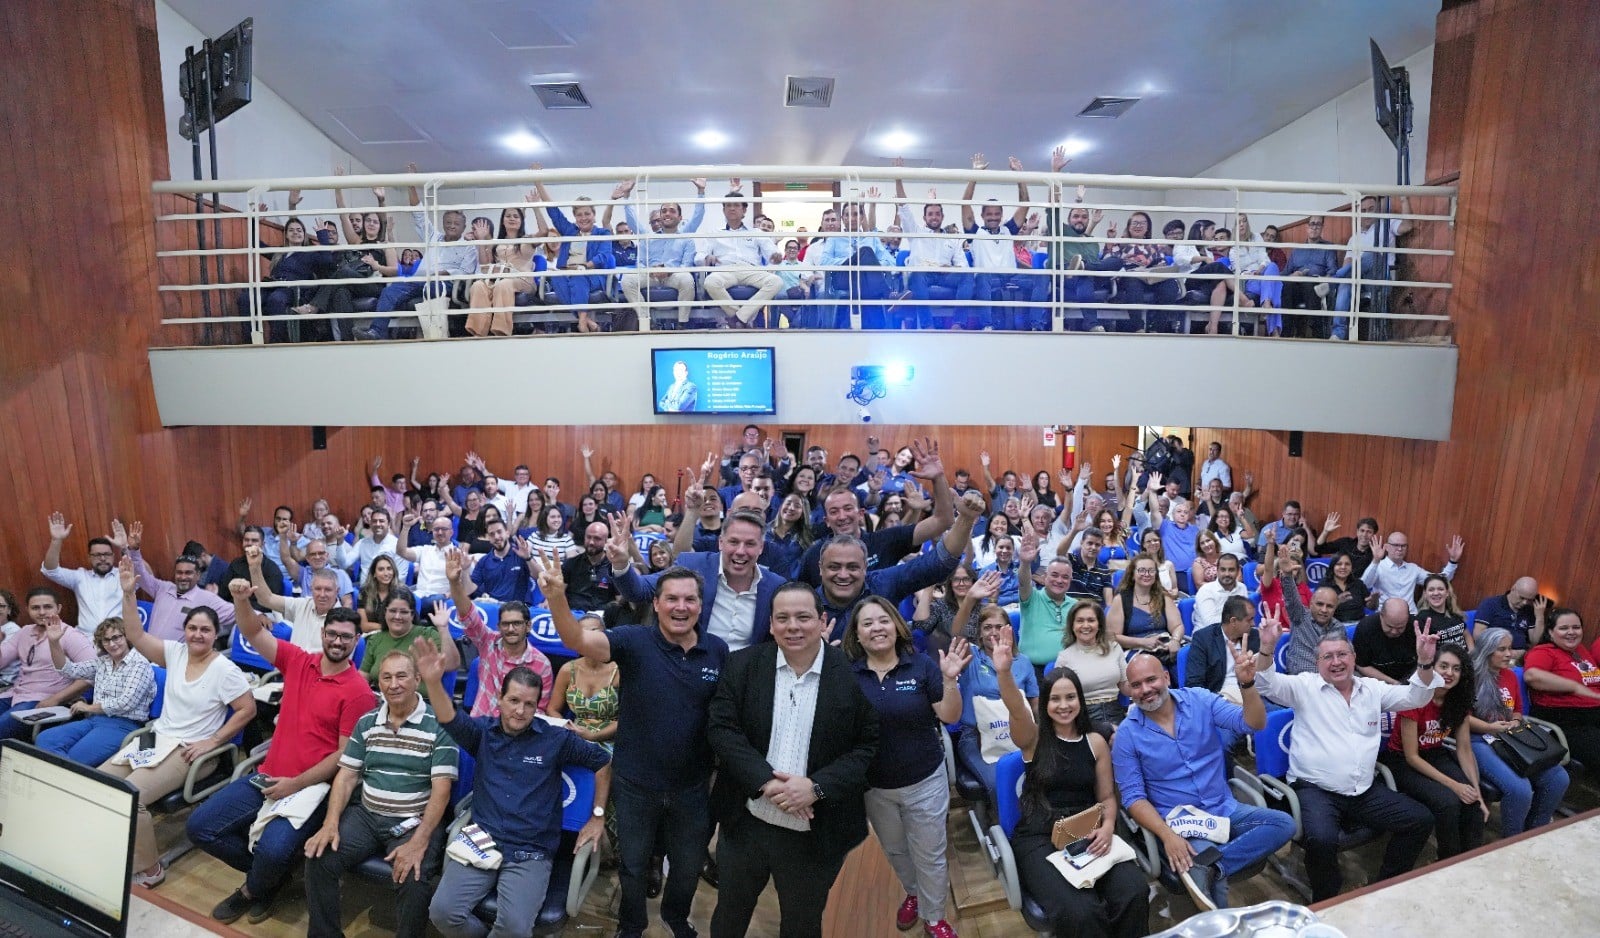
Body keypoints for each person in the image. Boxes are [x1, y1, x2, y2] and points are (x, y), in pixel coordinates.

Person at [540, 554, 726, 938]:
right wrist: (558, 597)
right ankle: (631, 924)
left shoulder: (718, 651)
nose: (681, 607)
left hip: (691, 787)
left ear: (700, 605)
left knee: (689, 865)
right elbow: (575, 639)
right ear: (655, 604)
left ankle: (676, 919)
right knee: (634, 865)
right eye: (671, 598)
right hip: (635, 784)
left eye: (689, 599)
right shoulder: (632, 641)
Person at [188, 581, 375, 925]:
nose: (337, 641)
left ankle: (251, 890)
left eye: (346, 637)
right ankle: (271, 878)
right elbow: (252, 631)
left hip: (310, 789)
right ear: (322, 633)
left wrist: (294, 784)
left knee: (273, 850)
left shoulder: (359, 692)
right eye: (332, 633)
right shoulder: (298, 661)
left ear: (356, 642)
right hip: (267, 773)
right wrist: (243, 601)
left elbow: (343, 757)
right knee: (200, 827)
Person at [706, 582, 880, 938]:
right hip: (746, 823)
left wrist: (816, 788)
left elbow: (867, 748)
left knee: (802, 925)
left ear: (822, 621)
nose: (793, 626)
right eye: (782, 618)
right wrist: (767, 782)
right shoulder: (742, 665)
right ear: (770, 624)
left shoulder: (853, 676)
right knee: (729, 916)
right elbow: (722, 730)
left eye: (803, 617)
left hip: (815, 831)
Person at [414, 638, 610, 938]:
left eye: (529, 704)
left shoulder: (555, 739)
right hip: (482, 838)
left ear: (538, 705)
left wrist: (597, 816)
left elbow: (602, 762)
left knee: (515, 929)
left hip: (531, 850)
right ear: (500, 699)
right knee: (442, 913)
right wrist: (433, 682)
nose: (520, 711)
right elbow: (448, 718)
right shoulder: (483, 733)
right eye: (514, 701)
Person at [1251, 612, 1441, 901]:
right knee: (1322, 839)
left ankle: (1385, 882)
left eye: (1342, 654)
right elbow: (1264, 683)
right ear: (1318, 664)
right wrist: (1267, 649)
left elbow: (1416, 697)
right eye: (1328, 657)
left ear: (1354, 658)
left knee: (1420, 819)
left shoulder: (1372, 689)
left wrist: (1425, 662)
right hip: (1316, 789)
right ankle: (1327, 899)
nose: (1336, 661)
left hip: (1363, 788)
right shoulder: (1304, 686)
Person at [100, 562, 256, 888]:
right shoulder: (174, 652)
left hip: (192, 752)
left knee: (132, 795)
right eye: (192, 628)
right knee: (98, 782)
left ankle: (150, 868)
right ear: (184, 631)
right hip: (158, 740)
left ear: (216, 634)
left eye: (205, 630)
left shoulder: (225, 669)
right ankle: (115, 846)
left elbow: (247, 709)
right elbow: (135, 634)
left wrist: (212, 741)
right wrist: (129, 593)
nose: (197, 634)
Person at [1114, 647, 1292, 908]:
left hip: (1224, 809)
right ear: (1129, 690)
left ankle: (1210, 867)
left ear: (1166, 677)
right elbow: (1133, 798)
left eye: (1151, 680)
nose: (1145, 689)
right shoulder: (1127, 736)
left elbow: (1253, 723)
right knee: (1210, 874)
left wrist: (1247, 684)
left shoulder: (1199, 700)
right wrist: (1167, 836)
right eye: (1136, 685)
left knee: (1283, 824)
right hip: (1181, 822)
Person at [304, 649, 458, 938]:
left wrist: (421, 840)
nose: (393, 684)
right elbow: (347, 776)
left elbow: (442, 789)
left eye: (401, 676)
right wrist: (331, 822)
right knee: (318, 857)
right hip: (366, 815)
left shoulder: (440, 725)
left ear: (416, 679)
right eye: (386, 677)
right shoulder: (367, 722)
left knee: (414, 876)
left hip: (414, 819)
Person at [843, 598, 966, 936]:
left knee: (930, 853)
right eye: (866, 623)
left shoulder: (922, 666)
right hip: (875, 786)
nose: (876, 628)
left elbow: (950, 716)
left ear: (897, 625)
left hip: (925, 779)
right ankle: (914, 893)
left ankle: (934, 915)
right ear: (857, 633)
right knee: (896, 850)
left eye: (883, 620)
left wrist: (951, 682)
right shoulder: (847, 673)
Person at [1010, 666, 1149, 937]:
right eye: (1055, 699)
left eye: (1071, 697)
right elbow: (1016, 709)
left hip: (1089, 830)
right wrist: (1004, 672)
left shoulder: (1096, 742)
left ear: (1080, 701)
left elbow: (1107, 797)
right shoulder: (1033, 738)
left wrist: (1108, 826)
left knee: (1134, 891)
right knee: (1082, 911)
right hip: (1040, 837)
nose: (1064, 705)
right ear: (1044, 703)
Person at [611, 509, 786, 651]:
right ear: (720, 542)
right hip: (692, 673)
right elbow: (639, 590)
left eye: (750, 544)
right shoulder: (693, 565)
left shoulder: (775, 587)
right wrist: (621, 564)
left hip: (743, 681)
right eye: (733, 542)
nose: (740, 551)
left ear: (761, 548)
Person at [1378, 642, 1487, 861]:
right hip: (1403, 762)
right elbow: (1412, 757)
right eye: (1444, 666)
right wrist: (1455, 785)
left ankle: (1472, 861)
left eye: (1456, 668)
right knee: (1448, 802)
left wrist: (1478, 793)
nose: (1449, 673)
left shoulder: (1458, 699)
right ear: (1432, 668)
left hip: (1435, 753)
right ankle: (1448, 862)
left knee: (1473, 802)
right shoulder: (1415, 698)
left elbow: (1464, 750)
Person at [358, 162, 478, 340]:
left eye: (456, 223)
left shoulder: (469, 246)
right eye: (448, 222)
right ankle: (376, 332)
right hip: (419, 280)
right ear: (443, 223)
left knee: (432, 286)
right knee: (390, 290)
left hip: (444, 284)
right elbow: (419, 213)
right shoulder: (434, 237)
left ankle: (434, 336)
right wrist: (411, 183)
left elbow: (465, 272)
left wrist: (441, 273)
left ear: (463, 226)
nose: (452, 226)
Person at [1467, 627, 1569, 836]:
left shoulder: (1510, 676)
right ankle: (1513, 839)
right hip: (1479, 740)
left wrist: (1514, 720)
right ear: (1487, 650)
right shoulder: (1469, 678)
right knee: (1519, 790)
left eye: (1510, 649)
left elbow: (1518, 710)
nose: (1509, 654)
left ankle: (1535, 831)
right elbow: (1460, 718)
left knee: (1559, 777)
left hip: (1509, 737)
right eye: (1502, 649)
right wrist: (1489, 727)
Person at [952, 579, 1040, 796]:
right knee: (1001, 783)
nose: (993, 633)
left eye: (999, 627)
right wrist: (971, 599)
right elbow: (956, 633)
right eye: (987, 627)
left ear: (1008, 630)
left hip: (1019, 734)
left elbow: (1035, 707)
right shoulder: (971, 657)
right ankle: (1007, 828)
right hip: (978, 738)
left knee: (1042, 776)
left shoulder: (1023, 662)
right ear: (979, 633)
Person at [36, 611, 155, 766]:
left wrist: (88, 707)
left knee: (75, 758)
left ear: (127, 637)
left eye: (116, 637)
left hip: (124, 725)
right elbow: (67, 669)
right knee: (45, 739)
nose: (112, 644)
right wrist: (54, 642)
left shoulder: (140, 664)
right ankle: (65, 776)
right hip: (95, 720)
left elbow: (126, 703)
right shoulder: (103, 661)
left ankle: (67, 777)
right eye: (106, 640)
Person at [445, 548, 554, 715]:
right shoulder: (488, 642)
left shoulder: (542, 664)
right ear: (499, 626)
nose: (510, 629)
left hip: (517, 733)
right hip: (481, 728)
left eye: (517, 623)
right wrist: (454, 583)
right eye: (505, 624)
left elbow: (538, 711)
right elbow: (468, 615)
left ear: (528, 626)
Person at [0, 587, 95, 740]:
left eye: (47, 607)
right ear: (28, 609)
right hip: (15, 695)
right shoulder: (24, 632)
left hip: (45, 701)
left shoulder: (70, 635)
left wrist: (56, 699)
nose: (42, 612)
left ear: (58, 608)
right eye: (35, 608)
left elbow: (91, 674)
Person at [615, 177, 707, 327]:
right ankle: (645, 320)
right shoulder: (648, 237)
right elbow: (641, 263)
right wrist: (626, 196)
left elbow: (686, 266)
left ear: (680, 217)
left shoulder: (686, 238)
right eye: (664, 211)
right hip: (651, 276)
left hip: (674, 276)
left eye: (672, 211)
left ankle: (681, 324)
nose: (667, 214)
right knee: (627, 280)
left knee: (687, 279)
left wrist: (701, 191)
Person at [123, 522, 236, 640]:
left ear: (198, 575)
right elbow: (141, 575)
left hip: (181, 658)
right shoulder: (163, 588)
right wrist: (134, 550)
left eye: (188, 573)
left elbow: (240, 615)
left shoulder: (208, 598)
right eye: (179, 572)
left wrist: (241, 598)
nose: (183, 577)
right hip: (150, 654)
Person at [1523, 608, 1600, 780]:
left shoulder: (1581, 651)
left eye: (1576, 627)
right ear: (1550, 632)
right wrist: (1574, 687)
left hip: (1593, 715)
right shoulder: (1544, 651)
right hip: (1567, 720)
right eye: (1564, 628)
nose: (1571, 632)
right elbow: (1532, 676)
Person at [698, 186, 783, 327]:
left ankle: (738, 319)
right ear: (723, 210)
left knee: (776, 282)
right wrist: (706, 257)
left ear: (744, 210)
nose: (732, 208)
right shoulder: (714, 233)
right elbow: (699, 256)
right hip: (725, 270)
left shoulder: (756, 232)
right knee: (710, 282)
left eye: (736, 205)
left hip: (751, 270)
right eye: (728, 206)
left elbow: (772, 252)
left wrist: (776, 256)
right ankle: (742, 319)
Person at [246, 546, 346, 652]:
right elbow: (266, 599)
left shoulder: (344, 621)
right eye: (317, 589)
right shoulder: (302, 604)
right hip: (292, 664)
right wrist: (254, 567)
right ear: (311, 589)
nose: (322, 594)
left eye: (328, 590)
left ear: (337, 591)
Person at [41, 512, 123, 633]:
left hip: (119, 639)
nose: (103, 558)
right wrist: (56, 541)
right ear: (89, 557)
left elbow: (147, 575)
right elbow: (50, 571)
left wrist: (126, 547)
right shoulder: (80, 577)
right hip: (87, 639)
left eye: (106, 554)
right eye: (97, 555)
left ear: (113, 556)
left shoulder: (124, 576)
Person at [1052, 603, 1129, 727]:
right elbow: (1062, 700)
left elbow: (1126, 685)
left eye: (1091, 620)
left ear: (1099, 625)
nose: (1086, 625)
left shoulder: (1114, 648)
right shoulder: (1064, 658)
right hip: (1085, 717)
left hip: (1116, 711)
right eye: (1080, 621)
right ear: (1072, 625)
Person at [1015, 532, 1077, 685]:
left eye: (1065, 577)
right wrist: (1025, 563)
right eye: (1054, 575)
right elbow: (1023, 582)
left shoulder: (1076, 606)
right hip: (1032, 672)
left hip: (1068, 671)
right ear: (1044, 578)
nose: (1059, 580)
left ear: (1070, 580)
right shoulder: (1031, 597)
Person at [1185, 596, 1263, 713]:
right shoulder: (1204, 639)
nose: (1253, 624)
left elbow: (1264, 675)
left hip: (1252, 693)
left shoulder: (1254, 636)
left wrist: (1269, 647)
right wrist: (1215, 703)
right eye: (1249, 620)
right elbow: (1194, 684)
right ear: (1233, 621)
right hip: (1219, 700)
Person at [1361, 530, 1464, 612]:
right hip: (1386, 616)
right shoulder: (1378, 566)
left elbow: (1439, 580)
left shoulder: (1413, 569)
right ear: (1387, 547)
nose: (1400, 549)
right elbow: (1365, 585)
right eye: (1396, 545)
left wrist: (1453, 561)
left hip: (1411, 616)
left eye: (1403, 546)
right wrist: (1376, 560)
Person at [1107, 553, 1182, 665]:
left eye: (1151, 570)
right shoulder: (1120, 600)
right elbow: (1113, 637)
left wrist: (1175, 641)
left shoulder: (1164, 597)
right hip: (1136, 651)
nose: (1147, 574)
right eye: (1141, 570)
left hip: (1165, 647)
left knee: (1186, 666)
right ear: (1132, 574)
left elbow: (1177, 626)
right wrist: (1143, 642)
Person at [1472, 577, 1548, 657]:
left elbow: (1535, 641)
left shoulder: (1529, 610)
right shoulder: (1491, 604)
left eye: (1529, 600)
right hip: (1494, 654)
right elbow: (1478, 635)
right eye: (1521, 598)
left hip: (1520, 658)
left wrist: (1540, 617)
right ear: (1513, 589)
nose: (1525, 603)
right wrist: (1506, 653)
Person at [1355, 599, 1422, 683]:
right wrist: (1394, 683)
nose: (1394, 632)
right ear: (1381, 616)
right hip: (1377, 681)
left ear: (1407, 619)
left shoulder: (1417, 627)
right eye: (1389, 626)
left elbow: (1424, 661)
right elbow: (1362, 665)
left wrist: (1407, 683)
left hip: (1411, 678)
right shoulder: (1365, 628)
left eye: (1400, 627)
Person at [469, 517, 534, 603]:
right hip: (494, 608)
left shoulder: (521, 553)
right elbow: (470, 590)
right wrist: (465, 571)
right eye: (492, 534)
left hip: (518, 610)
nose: (496, 537)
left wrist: (528, 558)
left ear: (507, 533)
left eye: (499, 532)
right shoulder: (483, 561)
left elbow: (538, 575)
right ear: (489, 538)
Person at [1415, 574, 1471, 650]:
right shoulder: (1422, 618)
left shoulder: (1454, 612)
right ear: (1425, 594)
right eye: (1431, 590)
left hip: (1464, 659)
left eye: (1440, 589)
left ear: (1447, 593)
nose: (1436, 593)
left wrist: (1472, 656)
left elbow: (1466, 635)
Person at [1193, 553, 1249, 630]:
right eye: (1223, 570)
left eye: (1231, 570)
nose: (1227, 574)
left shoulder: (1242, 588)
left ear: (1238, 571)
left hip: (1235, 633)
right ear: (1217, 570)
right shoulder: (1206, 591)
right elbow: (1210, 623)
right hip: (1207, 636)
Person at [1317, 552, 1370, 625]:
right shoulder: (1324, 584)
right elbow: (1318, 612)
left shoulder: (1358, 583)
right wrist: (1336, 602)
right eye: (1339, 564)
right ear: (1333, 566)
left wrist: (1374, 601)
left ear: (1352, 567)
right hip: (1333, 626)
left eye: (1347, 564)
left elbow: (1371, 606)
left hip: (1359, 624)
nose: (1343, 567)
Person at [358, 555, 404, 634]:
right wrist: (387, 626)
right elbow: (364, 626)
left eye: (389, 569)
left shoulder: (402, 592)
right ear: (374, 574)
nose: (386, 573)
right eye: (381, 569)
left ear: (394, 571)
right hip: (372, 635)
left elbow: (404, 624)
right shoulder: (365, 592)